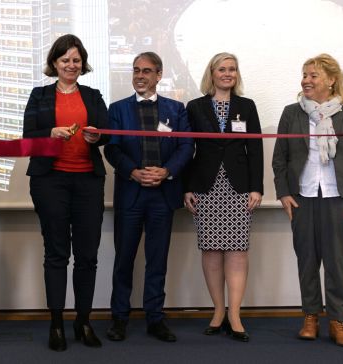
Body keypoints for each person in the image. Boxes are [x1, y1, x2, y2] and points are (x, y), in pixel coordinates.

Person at [272, 54, 343, 347]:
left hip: (338, 198)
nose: (306, 80)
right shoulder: (292, 113)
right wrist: (284, 192)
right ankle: (310, 317)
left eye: (313, 75)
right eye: (304, 74)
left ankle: (337, 321)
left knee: (337, 264)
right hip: (302, 197)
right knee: (307, 261)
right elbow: (280, 158)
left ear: (330, 80)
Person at [23, 34, 109, 352]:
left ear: (82, 64)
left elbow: (106, 134)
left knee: (87, 256)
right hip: (50, 182)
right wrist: (49, 133)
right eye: (65, 60)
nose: (71, 65)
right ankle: (56, 323)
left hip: (88, 181)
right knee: (57, 254)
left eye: (76, 60)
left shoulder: (94, 95)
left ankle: (83, 321)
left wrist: (97, 137)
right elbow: (27, 137)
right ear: (54, 64)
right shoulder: (39, 96)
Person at [104, 52, 193, 343]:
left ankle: (155, 318)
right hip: (131, 194)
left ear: (159, 75)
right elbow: (112, 149)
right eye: (135, 70)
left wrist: (166, 171)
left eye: (146, 71)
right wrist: (132, 172)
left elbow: (186, 147)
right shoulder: (117, 109)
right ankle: (119, 318)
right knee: (124, 259)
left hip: (162, 196)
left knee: (157, 260)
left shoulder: (176, 109)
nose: (139, 76)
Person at [184, 52, 263, 342]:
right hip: (205, 187)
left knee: (237, 252)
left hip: (239, 188)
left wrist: (257, 188)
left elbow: (254, 150)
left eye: (232, 69)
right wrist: (187, 187)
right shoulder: (194, 107)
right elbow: (187, 150)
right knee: (212, 252)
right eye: (222, 69)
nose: (227, 73)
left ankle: (235, 314)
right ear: (212, 73)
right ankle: (218, 311)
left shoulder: (247, 106)